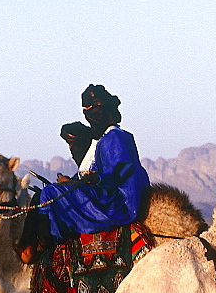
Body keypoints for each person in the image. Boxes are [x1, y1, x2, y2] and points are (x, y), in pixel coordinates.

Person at [38, 84, 150, 240]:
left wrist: (93, 179)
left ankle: (49, 244)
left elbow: (118, 175)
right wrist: (72, 182)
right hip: (110, 195)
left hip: (120, 204)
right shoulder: (105, 139)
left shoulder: (115, 137)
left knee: (49, 192)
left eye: (91, 110)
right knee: (49, 192)